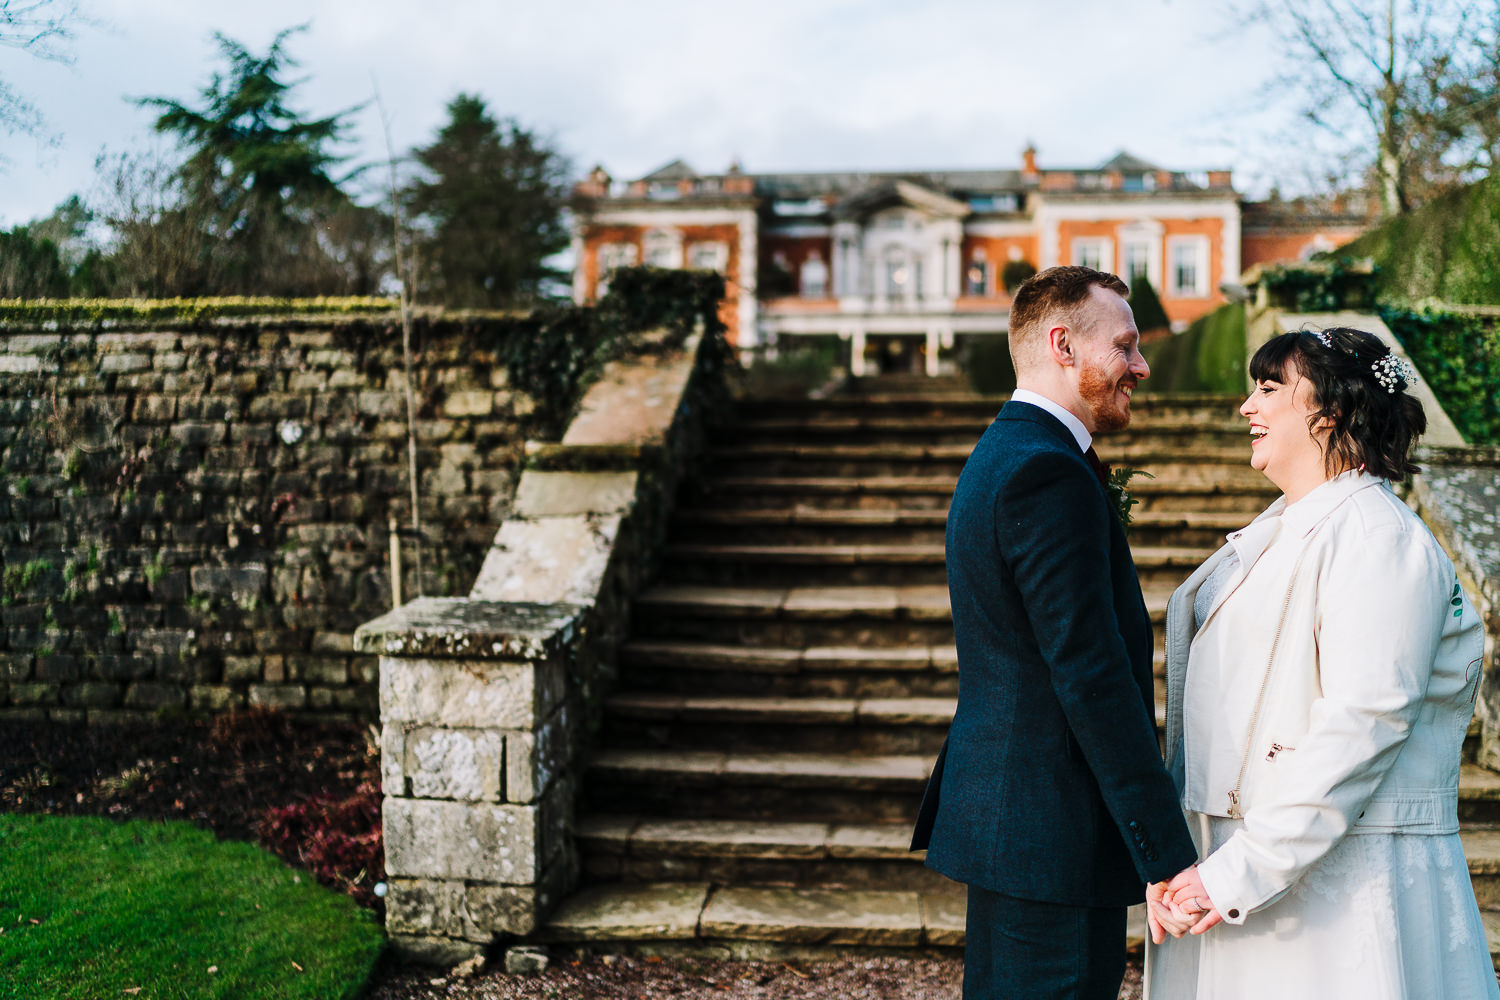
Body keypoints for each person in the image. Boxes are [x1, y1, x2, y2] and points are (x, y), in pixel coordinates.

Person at [1145, 327, 1499, 998]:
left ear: (1331, 410)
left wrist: (1235, 875)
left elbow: (1360, 728)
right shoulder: (1283, 530)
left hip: (1341, 892)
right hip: (1255, 870)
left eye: (1269, 388)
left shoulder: (1376, 538)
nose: (1248, 406)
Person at [911, 265, 1199, 999]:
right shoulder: (1047, 473)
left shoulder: (1010, 452)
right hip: (1054, 830)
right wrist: (1165, 852)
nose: (1140, 366)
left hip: (1019, 821)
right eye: (1127, 347)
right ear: (1063, 344)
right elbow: (1091, 675)